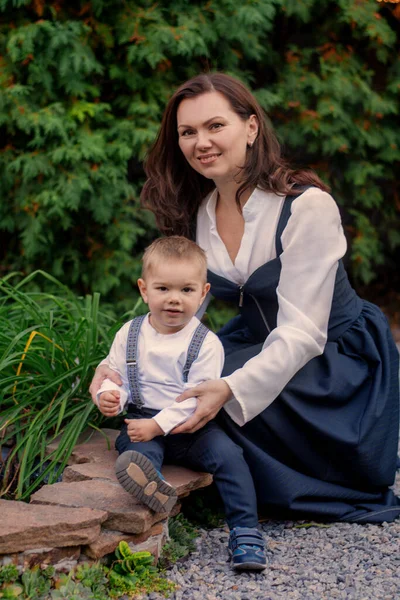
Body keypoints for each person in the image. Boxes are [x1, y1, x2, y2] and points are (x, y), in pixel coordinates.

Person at [91, 72, 400, 524]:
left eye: (216, 126)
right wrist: (119, 364)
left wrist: (230, 386)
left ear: (251, 128)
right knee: (170, 381)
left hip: (335, 360)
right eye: (188, 132)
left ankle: (266, 480)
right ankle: (154, 467)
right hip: (259, 341)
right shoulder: (199, 213)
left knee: (206, 389)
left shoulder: (306, 206)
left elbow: (301, 333)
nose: (202, 142)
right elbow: (180, 314)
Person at [95, 236, 267, 570]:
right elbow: (116, 374)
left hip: (192, 428)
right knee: (136, 451)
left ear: (203, 293)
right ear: (144, 290)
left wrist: (157, 425)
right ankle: (153, 486)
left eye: (186, 291)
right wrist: (110, 397)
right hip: (144, 421)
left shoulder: (206, 343)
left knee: (230, 457)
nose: (174, 300)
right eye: (163, 289)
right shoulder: (129, 334)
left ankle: (246, 532)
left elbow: (196, 400)